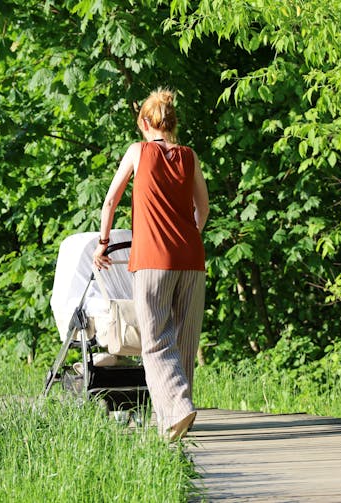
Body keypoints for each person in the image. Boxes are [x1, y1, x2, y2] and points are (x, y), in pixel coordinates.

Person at [93, 88, 209, 441]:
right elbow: (202, 209)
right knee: (184, 342)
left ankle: (178, 409)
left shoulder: (137, 152)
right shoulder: (189, 156)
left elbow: (111, 199)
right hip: (192, 260)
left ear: (145, 122)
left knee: (156, 342)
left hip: (152, 261)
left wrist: (103, 243)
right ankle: (171, 421)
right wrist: (189, 238)